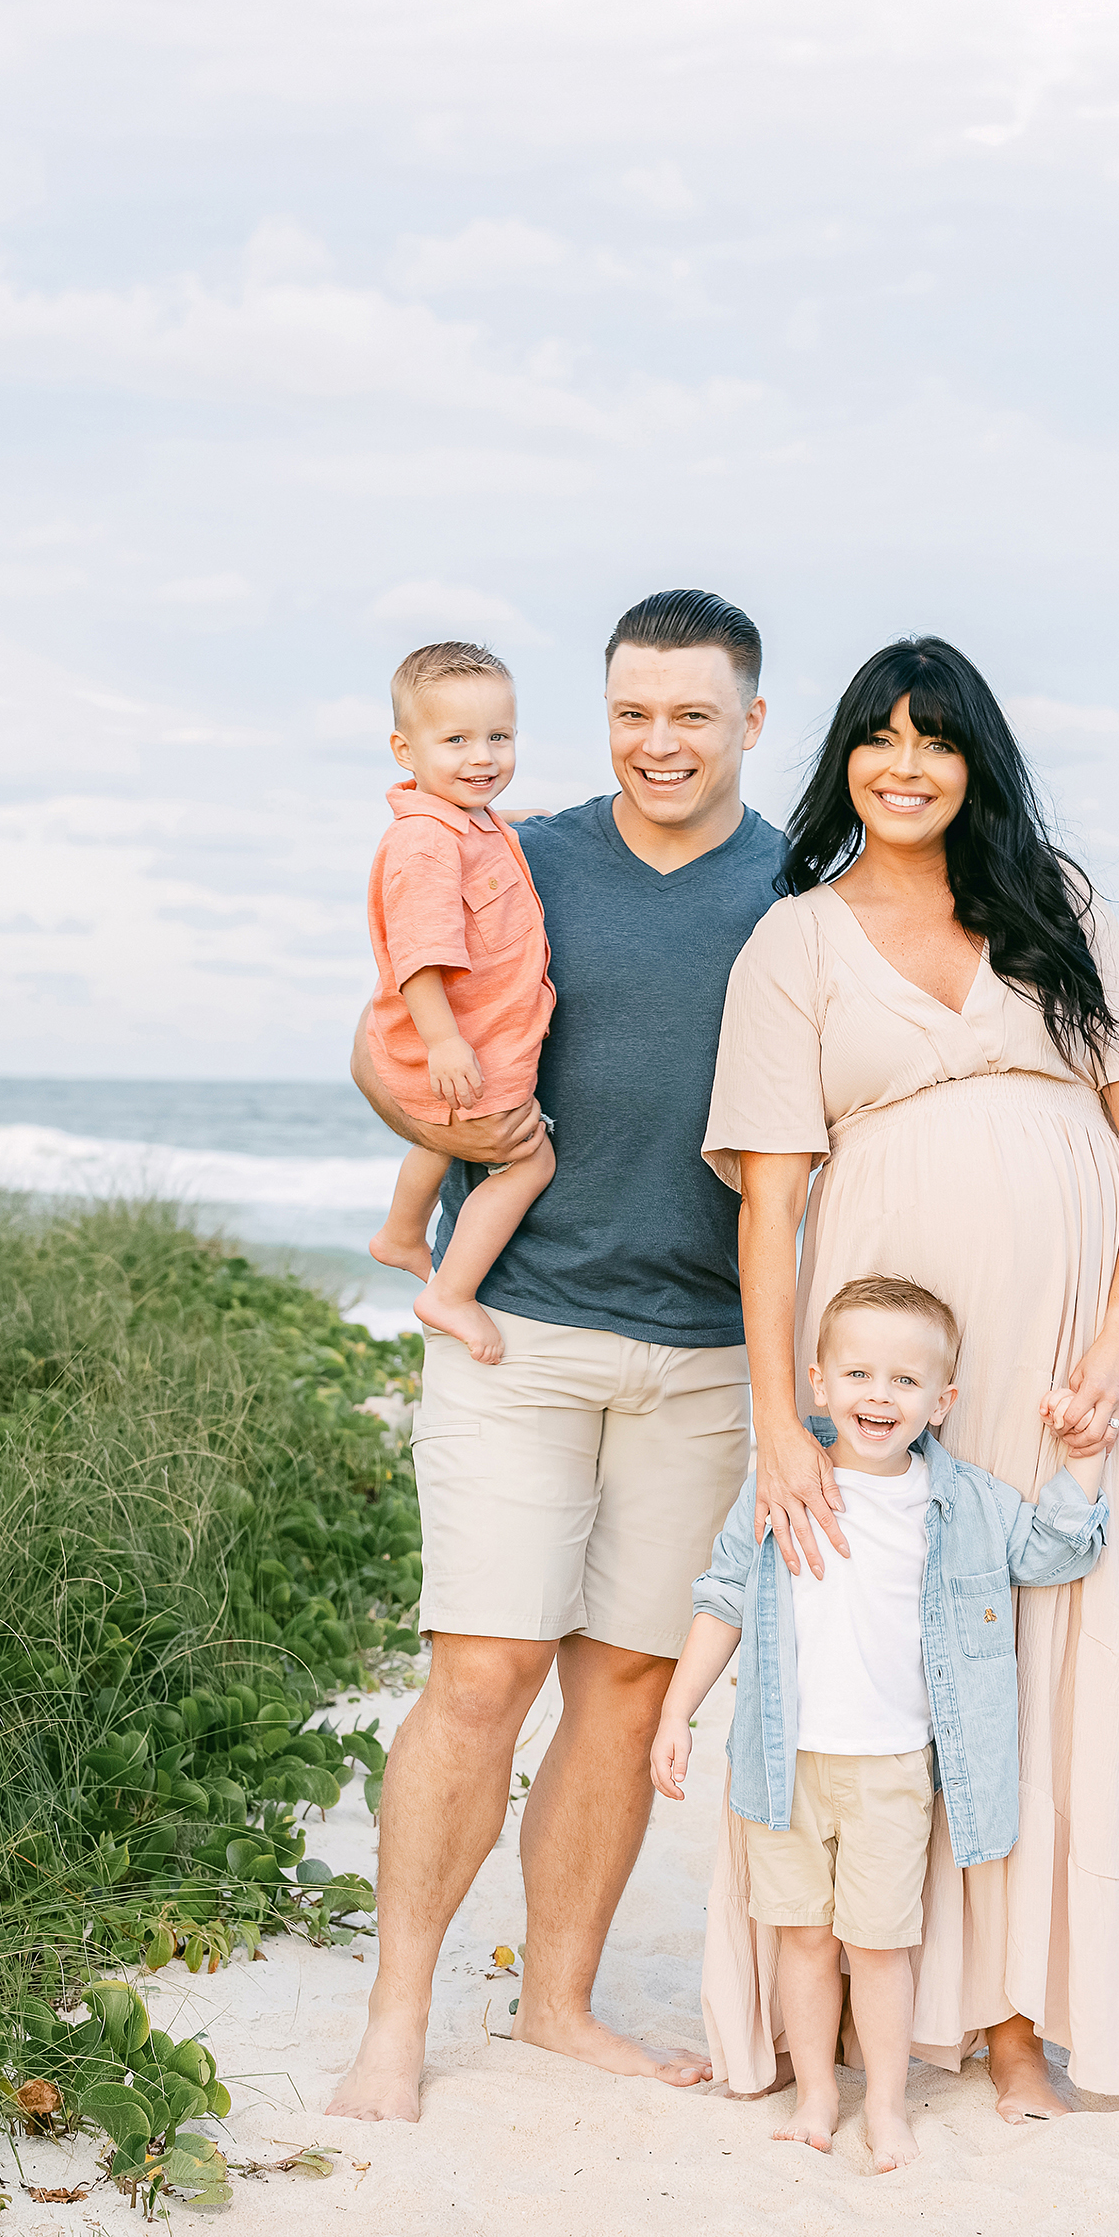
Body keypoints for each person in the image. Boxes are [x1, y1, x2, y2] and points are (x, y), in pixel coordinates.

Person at [700, 636, 1119, 2115]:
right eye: (877, 738)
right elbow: (772, 1200)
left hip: (1065, 1341)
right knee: (903, 1652)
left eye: (935, 740)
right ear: (842, 757)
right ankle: (892, 2018)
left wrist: (1116, 1332)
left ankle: (1019, 2020)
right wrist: (778, 1423)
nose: (903, 765)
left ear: (977, 761)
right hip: (884, 1352)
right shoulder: (794, 940)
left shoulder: (1057, 904)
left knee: (1058, 1639)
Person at [329, 587, 785, 2122]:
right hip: (517, 1329)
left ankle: (558, 2005)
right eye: (633, 713)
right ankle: (398, 2020)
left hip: (713, 1353)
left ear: (751, 723)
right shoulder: (511, 851)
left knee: (626, 1689)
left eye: (693, 715)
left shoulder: (803, 895)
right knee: (482, 1672)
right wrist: (432, 1122)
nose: (660, 743)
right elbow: (379, 1038)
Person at [651, 1275, 1109, 2170]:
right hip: (780, 1764)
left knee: (880, 1943)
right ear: (816, 1383)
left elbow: (1054, 1552)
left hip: (893, 1769)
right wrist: (677, 1710)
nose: (878, 1396)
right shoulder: (780, 1484)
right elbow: (722, 1599)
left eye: (904, 1382)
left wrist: (1082, 1452)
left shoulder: (964, 1502)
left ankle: (887, 2106)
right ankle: (820, 2091)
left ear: (940, 1402)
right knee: (804, 1939)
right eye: (858, 1374)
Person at [361, 641, 558, 1365]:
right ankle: (451, 1291)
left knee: (435, 1133)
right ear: (403, 750)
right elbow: (420, 957)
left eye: (498, 737)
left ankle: (400, 1233)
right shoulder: (424, 844)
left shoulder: (470, 822)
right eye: (456, 741)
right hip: (463, 1042)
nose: (483, 757)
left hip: (469, 1038)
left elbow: (495, 832)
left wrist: (521, 823)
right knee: (526, 1160)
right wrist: (445, 1043)